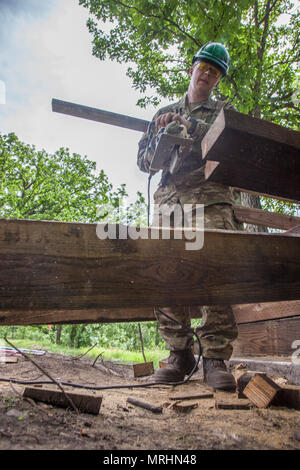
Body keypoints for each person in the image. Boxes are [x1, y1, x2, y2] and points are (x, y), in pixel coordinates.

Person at [137, 42, 242, 390]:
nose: (207, 73)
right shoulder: (162, 112)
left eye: (215, 71)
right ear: (192, 68)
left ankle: (215, 357)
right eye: (204, 66)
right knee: (165, 272)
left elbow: (231, 150)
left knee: (216, 270)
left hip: (209, 200)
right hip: (170, 200)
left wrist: (192, 128)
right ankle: (178, 355)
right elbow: (142, 162)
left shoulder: (222, 112)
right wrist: (160, 133)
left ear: (218, 80)